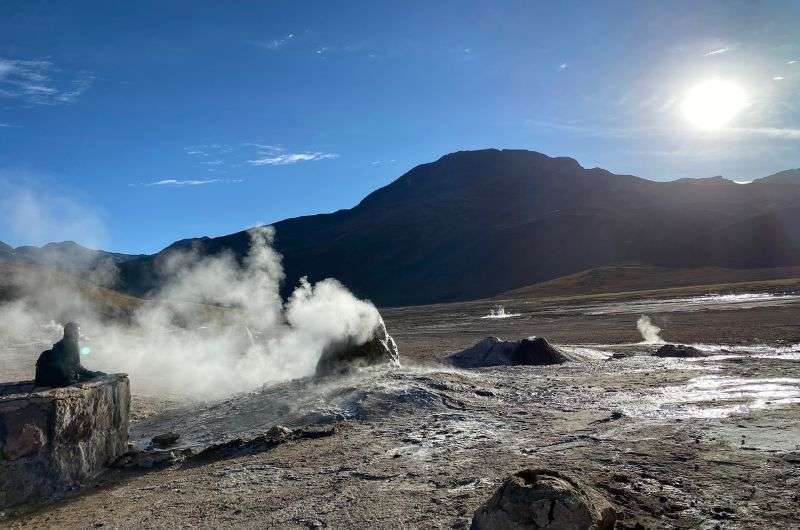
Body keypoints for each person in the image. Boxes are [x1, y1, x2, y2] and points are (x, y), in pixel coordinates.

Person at [35, 322, 104, 387]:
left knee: (84, 376)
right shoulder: (72, 344)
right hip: (61, 381)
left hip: (48, 380)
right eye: (78, 331)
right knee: (88, 378)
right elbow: (76, 366)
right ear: (72, 332)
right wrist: (93, 374)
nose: (79, 333)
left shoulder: (60, 343)